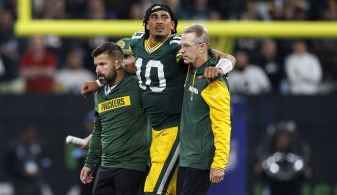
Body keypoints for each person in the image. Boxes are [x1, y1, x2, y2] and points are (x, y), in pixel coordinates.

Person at [81, 4, 236, 194]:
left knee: (154, 189)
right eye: (155, 17)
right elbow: (120, 64)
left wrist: (221, 68)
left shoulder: (179, 46)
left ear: (173, 25)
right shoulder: (136, 42)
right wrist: (99, 82)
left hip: (173, 129)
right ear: (146, 24)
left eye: (165, 17)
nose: (160, 21)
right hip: (150, 128)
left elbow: (227, 57)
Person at [80, 42, 148, 195]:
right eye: (96, 65)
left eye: (103, 64)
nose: (98, 69)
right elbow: (99, 129)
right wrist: (90, 163)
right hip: (106, 165)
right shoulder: (99, 94)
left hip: (133, 165)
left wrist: (136, 66)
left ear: (118, 63)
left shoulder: (138, 84)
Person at [177, 24, 231, 195]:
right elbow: (228, 57)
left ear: (201, 47)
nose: (182, 51)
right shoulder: (190, 69)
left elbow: (222, 125)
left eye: (186, 46)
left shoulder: (213, 81)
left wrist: (219, 164)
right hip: (185, 158)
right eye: (181, 46)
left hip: (200, 161)